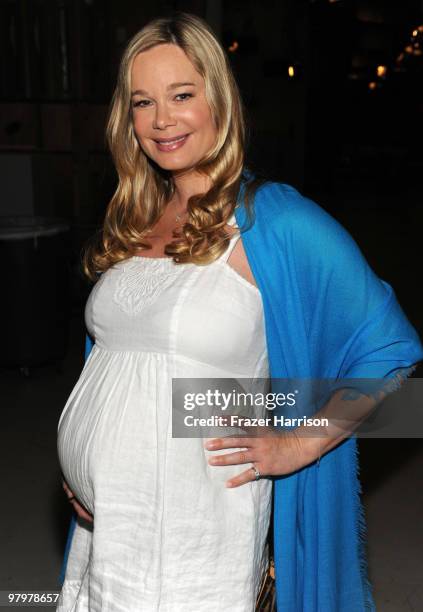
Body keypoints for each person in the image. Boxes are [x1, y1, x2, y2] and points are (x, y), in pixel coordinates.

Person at [56, 11, 423, 612]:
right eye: (143, 102)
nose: (162, 120)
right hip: (109, 527)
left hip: (194, 534)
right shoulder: (136, 219)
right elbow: (124, 369)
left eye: (181, 95)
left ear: (218, 102)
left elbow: (391, 350)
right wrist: (86, 459)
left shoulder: (272, 218)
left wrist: (299, 443)